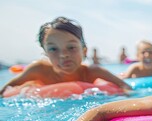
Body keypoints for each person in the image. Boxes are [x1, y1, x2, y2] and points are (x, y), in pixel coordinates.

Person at [0, 17, 130, 96]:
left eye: (71, 47)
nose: (63, 55)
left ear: (84, 51)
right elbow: (5, 90)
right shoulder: (38, 70)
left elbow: (126, 88)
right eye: (53, 49)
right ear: (46, 54)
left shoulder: (92, 72)